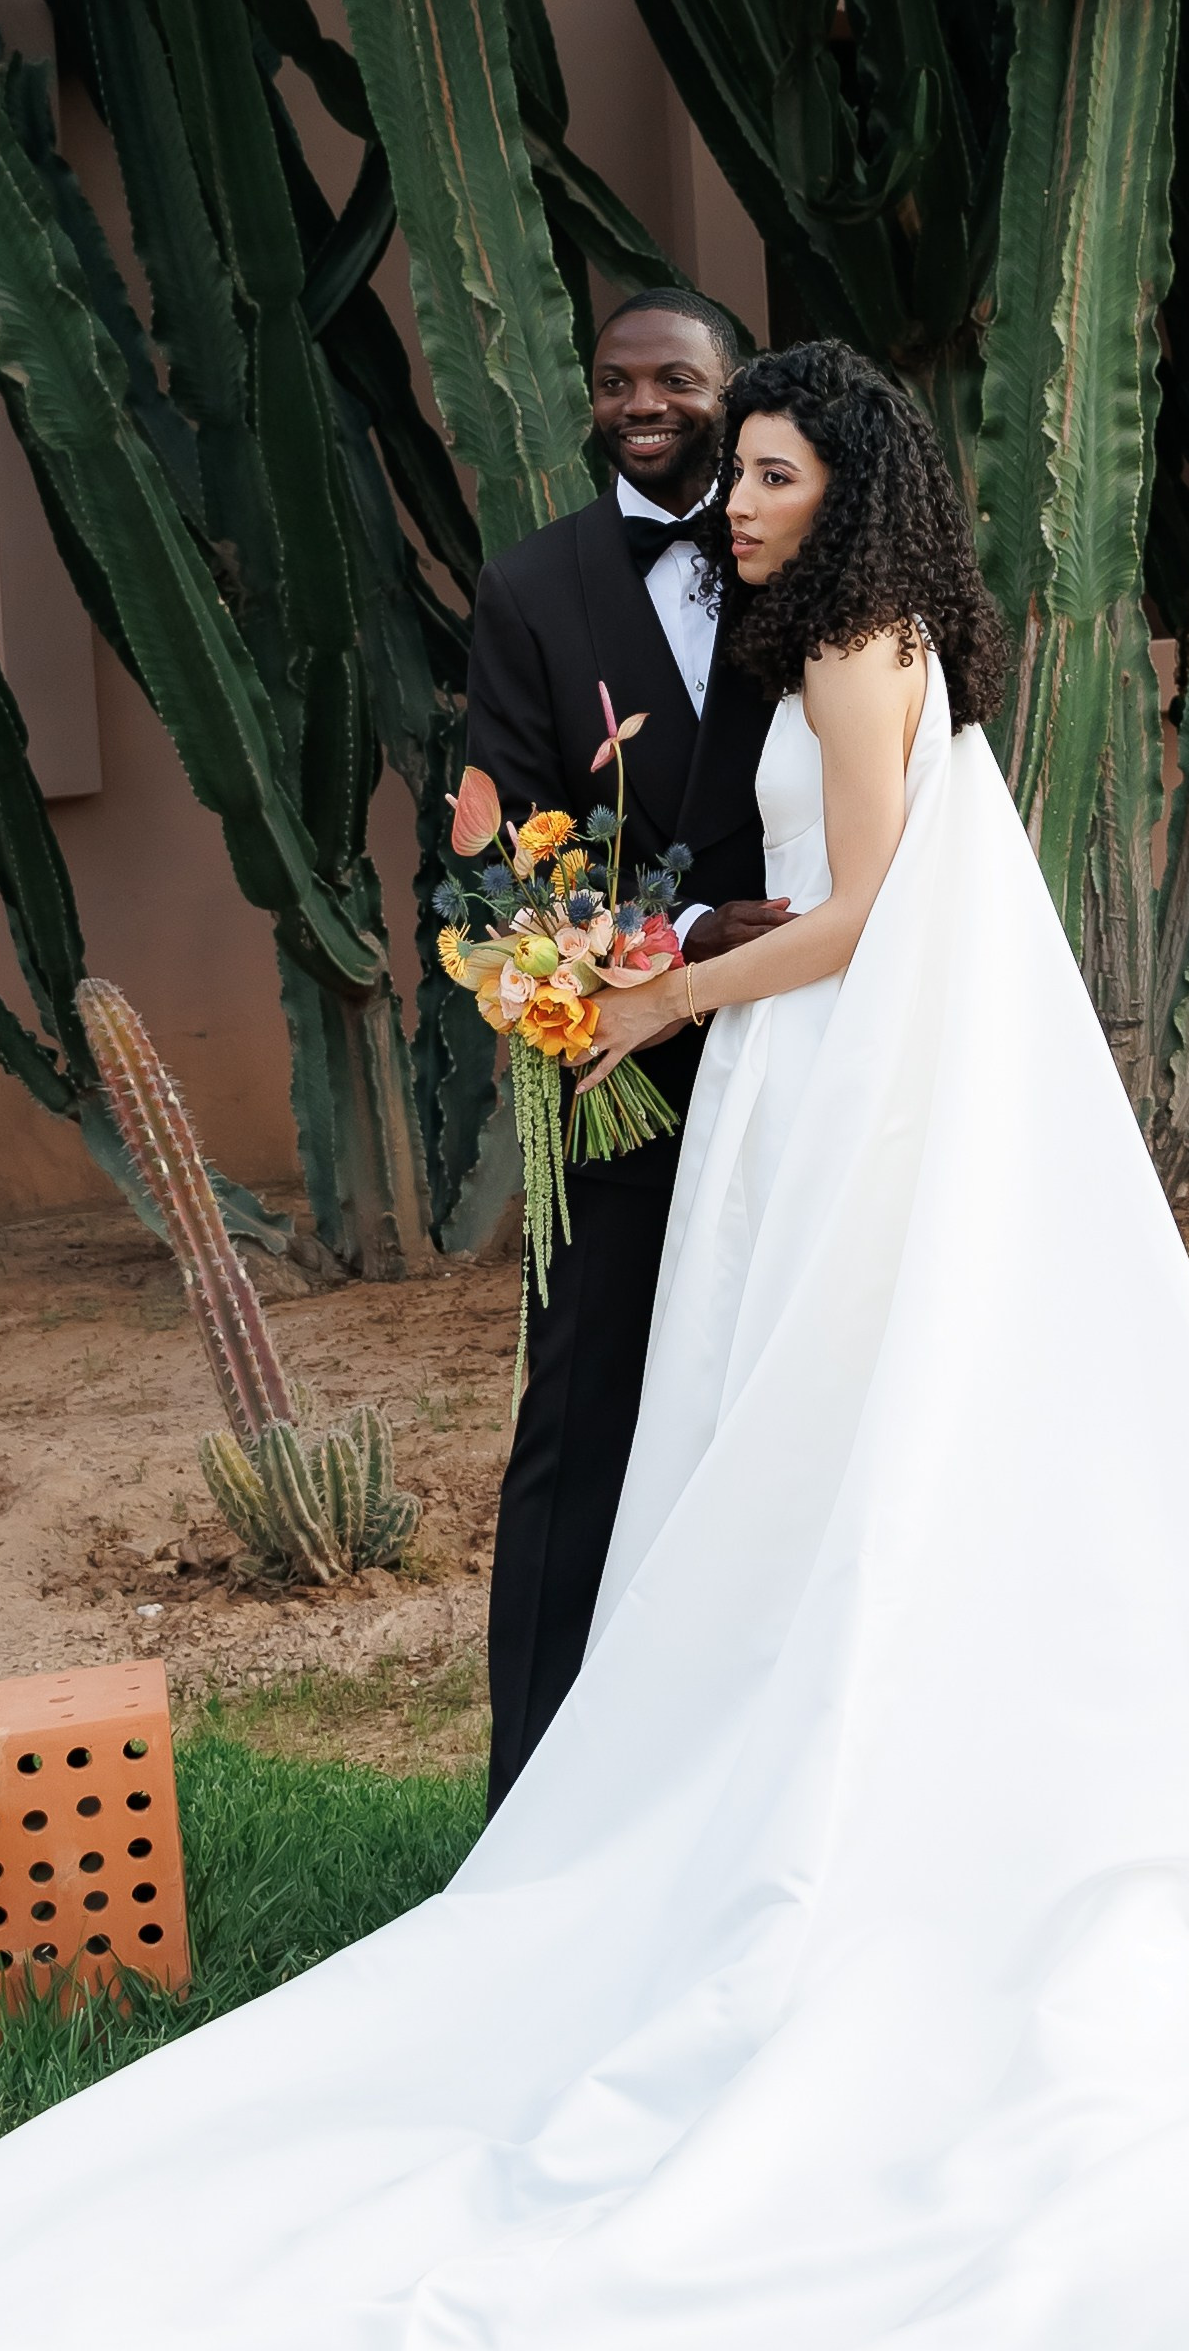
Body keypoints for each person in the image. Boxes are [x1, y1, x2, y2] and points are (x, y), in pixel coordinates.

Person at [0, 340, 1189, 2347]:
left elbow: (862, 909)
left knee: (825, 1431)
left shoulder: (851, 648)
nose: (742, 503)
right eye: (736, 475)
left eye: (771, 475)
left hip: (829, 1059)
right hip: (806, 1061)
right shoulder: (852, 632)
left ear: (844, 488)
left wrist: (665, 1005)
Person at [464, 283, 782, 1809]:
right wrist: (638, 953)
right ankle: (529, 1792)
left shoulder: (804, 553)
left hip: (802, 1049)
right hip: (619, 1072)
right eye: (611, 383)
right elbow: (490, 856)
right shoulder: (533, 587)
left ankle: (742, 1780)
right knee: (580, 1412)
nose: (640, 404)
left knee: (781, 1399)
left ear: (737, 390)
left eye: (674, 379)